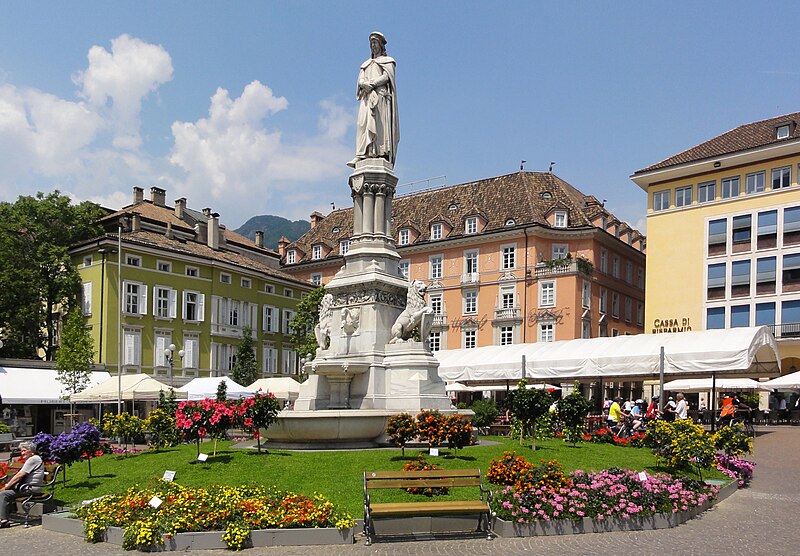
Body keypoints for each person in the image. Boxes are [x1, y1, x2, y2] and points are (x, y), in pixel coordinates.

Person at [351, 32, 399, 166]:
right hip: (366, 98)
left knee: (379, 126)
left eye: (375, 43)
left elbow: (387, 77)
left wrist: (373, 84)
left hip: (380, 97)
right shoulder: (366, 64)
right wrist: (363, 84)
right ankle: (362, 154)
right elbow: (360, 79)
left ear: (381, 45)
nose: (373, 45)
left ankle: (380, 152)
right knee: (363, 124)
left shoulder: (388, 61)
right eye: (371, 43)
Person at [0, 441, 43, 527]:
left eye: (24, 450)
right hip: (26, 487)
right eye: (21, 451)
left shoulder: (33, 459)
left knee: (4, 494)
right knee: (5, 493)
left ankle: (4, 520)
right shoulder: (34, 459)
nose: (22, 453)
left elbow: (20, 475)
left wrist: (7, 486)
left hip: (30, 489)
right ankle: (9, 513)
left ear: (31, 451)